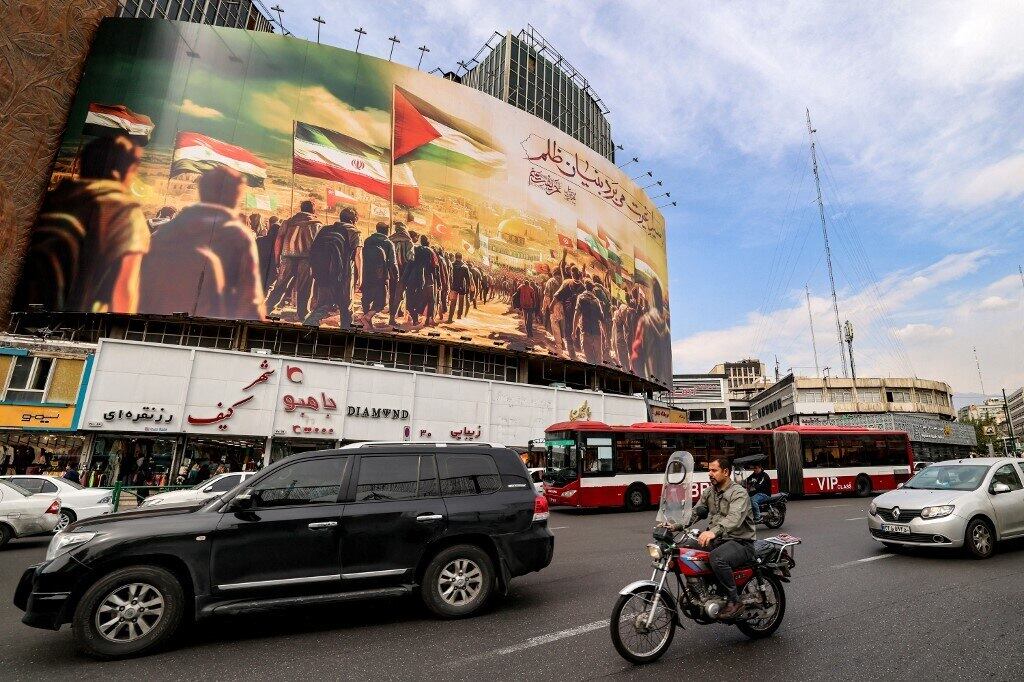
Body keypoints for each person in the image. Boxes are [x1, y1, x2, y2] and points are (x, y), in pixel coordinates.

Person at [15, 134, 150, 314]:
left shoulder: (51, 199)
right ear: (122, 170)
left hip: (22, 311)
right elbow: (125, 288)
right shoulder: (124, 212)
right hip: (82, 320)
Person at [139, 166, 265, 320]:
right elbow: (250, 298)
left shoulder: (165, 231)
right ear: (235, 197)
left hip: (152, 320)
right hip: (211, 326)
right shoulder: (238, 236)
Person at [671, 456, 755, 620]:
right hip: (720, 540)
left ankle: (734, 600)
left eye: (714, 470)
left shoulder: (739, 493)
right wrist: (674, 525)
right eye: (709, 470)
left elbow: (734, 519)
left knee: (717, 558)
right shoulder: (710, 492)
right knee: (685, 550)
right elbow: (695, 513)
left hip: (741, 542)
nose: (710, 473)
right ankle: (699, 592)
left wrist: (713, 532)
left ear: (725, 472)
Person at [304, 206, 361, 327]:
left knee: (324, 304)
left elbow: (313, 249)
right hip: (344, 275)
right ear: (354, 220)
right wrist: (360, 277)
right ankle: (346, 333)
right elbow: (358, 256)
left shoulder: (325, 229)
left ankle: (308, 325)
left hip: (323, 273)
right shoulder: (354, 232)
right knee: (346, 306)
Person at [265, 199, 320, 320]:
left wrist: (277, 259)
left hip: (287, 257)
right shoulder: (316, 224)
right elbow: (318, 246)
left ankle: (267, 309)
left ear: (301, 209)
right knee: (304, 287)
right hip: (307, 259)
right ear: (313, 210)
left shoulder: (288, 222)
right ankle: (302, 313)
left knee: (280, 285)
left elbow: (279, 240)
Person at [630, 278, 672, 382]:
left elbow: (636, 356)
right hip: (665, 381)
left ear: (651, 296)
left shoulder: (645, 321)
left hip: (650, 380)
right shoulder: (667, 320)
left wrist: (639, 379)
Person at [361, 221, 398, 329]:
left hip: (367, 274)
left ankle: (368, 323)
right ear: (386, 230)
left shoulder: (368, 240)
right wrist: (396, 275)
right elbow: (392, 262)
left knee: (366, 298)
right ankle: (368, 316)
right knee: (382, 302)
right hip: (382, 277)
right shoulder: (388, 243)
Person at [573, 281, 606, 364]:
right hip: (597, 333)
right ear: (592, 289)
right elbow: (602, 319)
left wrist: (573, 331)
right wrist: (605, 335)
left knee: (589, 358)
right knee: (598, 360)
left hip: (586, 331)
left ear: (585, 287)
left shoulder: (581, 298)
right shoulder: (596, 301)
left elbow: (576, 315)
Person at [256, 215, 281, 293]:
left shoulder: (259, 240)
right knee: (267, 289)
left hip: (259, 269)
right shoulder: (280, 244)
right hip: (272, 271)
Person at [448, 252, 471, 323]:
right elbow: (468, 279)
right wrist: (468, 288)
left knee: (453, 302)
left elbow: (449, 276)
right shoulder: (465, 266)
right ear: (461, 257)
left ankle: (450, 318)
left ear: (455, 257)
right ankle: (459, 315)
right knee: (461, 302)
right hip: (462, 287)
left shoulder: (452, 264)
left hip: (454, 286)